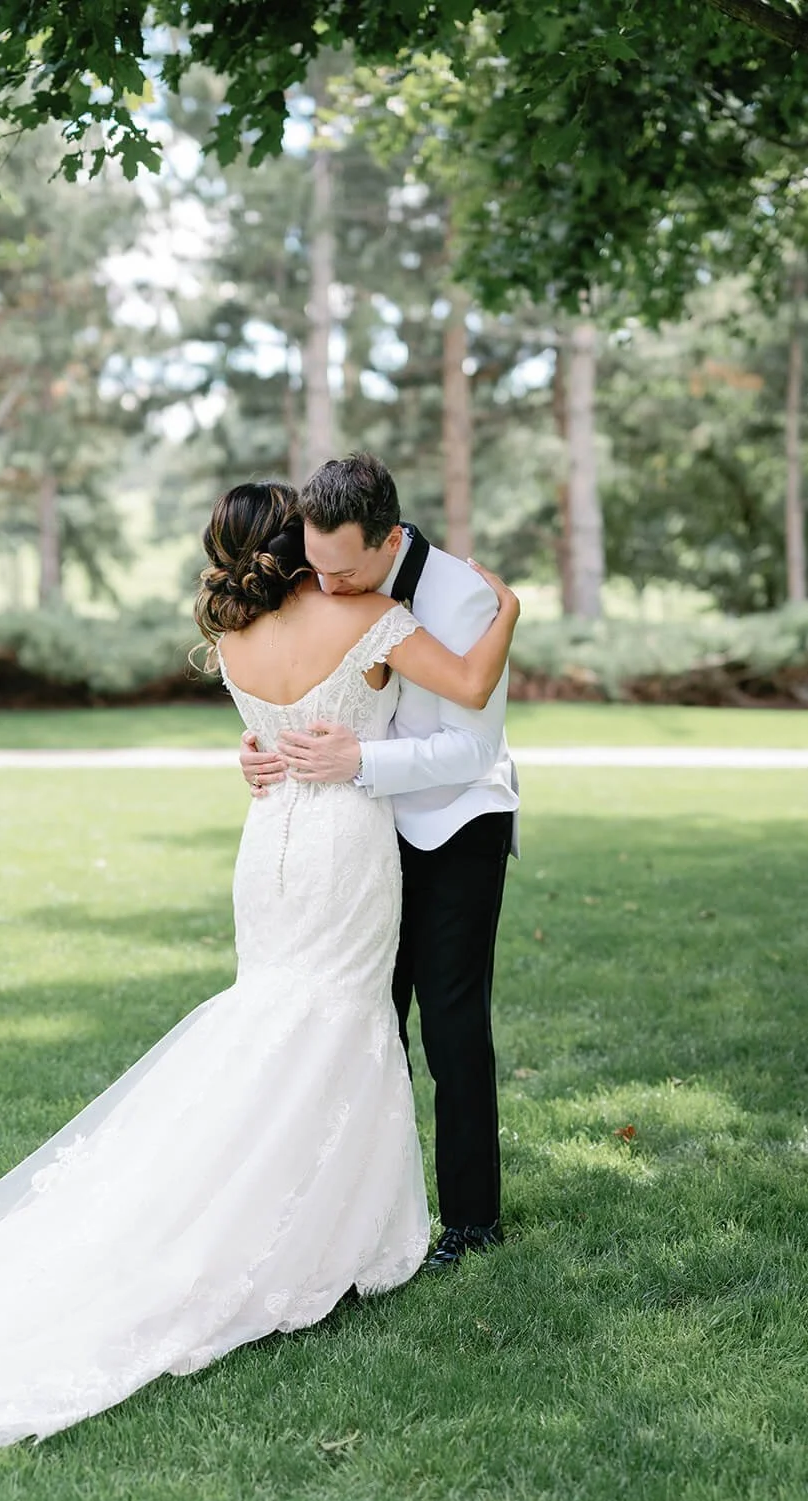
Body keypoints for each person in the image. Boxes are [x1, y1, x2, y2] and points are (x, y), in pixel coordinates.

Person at [0, 482, 518, 1459]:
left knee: (278, 1015)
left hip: (269, 842)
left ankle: (288, 1213)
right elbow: (473, 681)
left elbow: (271, 731)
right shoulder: (368, 614)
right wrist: (512, 610)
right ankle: (324, 1232)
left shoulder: (234, 636)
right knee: (335, 1020)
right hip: (340, 843)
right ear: (293, 546)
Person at [241, 454, 519, 1269]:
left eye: (343, 569)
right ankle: (359, 1212)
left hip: (452, 825)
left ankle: (471, 1221)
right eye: (314, 566)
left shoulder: (462, 597)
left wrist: (356, 760)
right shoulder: (331, 580)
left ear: (389, 538)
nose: (324, 587)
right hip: (357, 834)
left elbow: (472, 748)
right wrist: (262, 750)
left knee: (450, 1020)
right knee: (364, 1019)